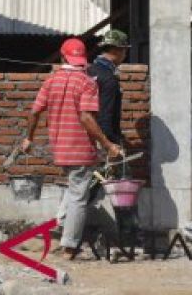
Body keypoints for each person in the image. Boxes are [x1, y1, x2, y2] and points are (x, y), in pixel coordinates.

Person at [22, 37, 121, 259]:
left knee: (73, 189)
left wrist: (28, 138)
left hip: (60, 149)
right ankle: (69, 247)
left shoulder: (51, 81)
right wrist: (107, 144)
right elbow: (86, 117)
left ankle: (61, 228)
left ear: (62, 56)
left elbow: (35, 112)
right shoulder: (87, 82)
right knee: (79, 197)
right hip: (81, 150)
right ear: (82, 58)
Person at [88, 29, 128, 146]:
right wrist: (112, 141)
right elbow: (105, 115)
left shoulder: (89, 71)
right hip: (102, 140)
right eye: (124, 50)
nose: (125, 54)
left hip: (86, 137)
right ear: (116, 50)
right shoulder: (109, 78)